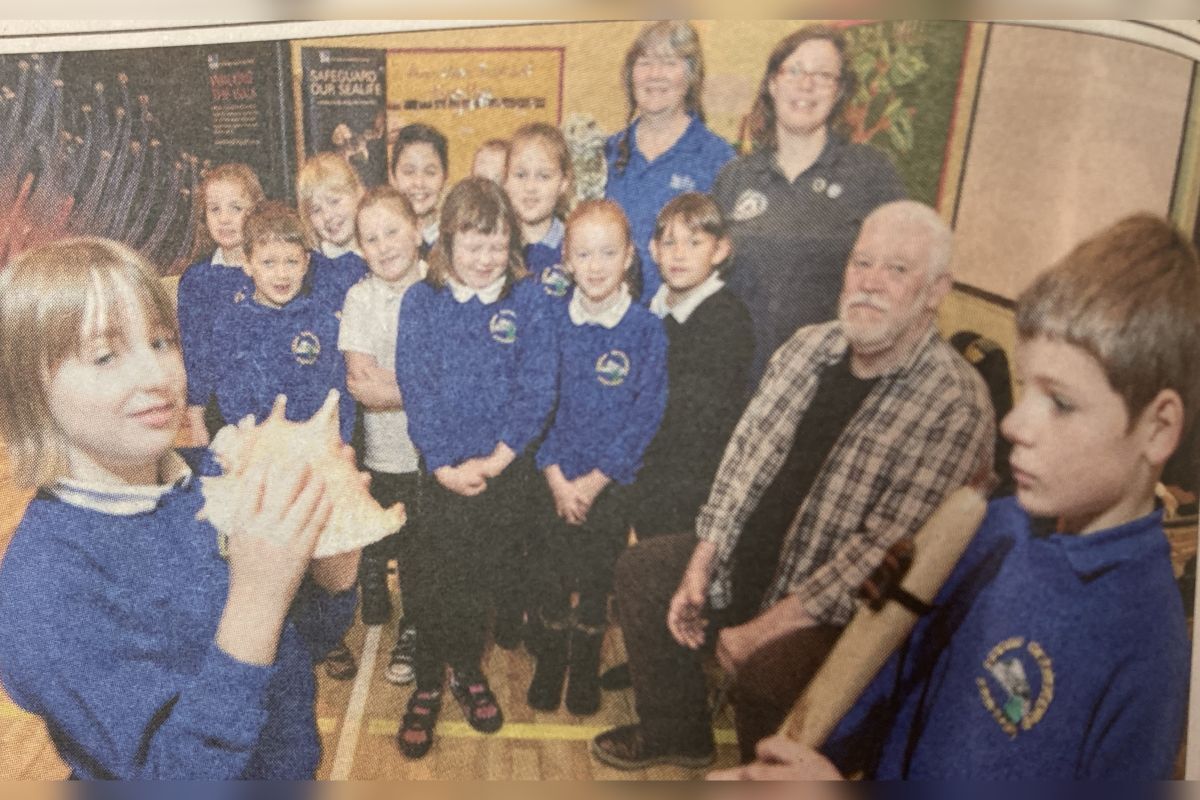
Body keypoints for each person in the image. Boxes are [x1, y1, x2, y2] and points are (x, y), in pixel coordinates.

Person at [711, 214, 1197, 780]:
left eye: (1060, 403)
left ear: (1159, 429)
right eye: (1025, 386)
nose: (1013, 422)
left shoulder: (1147, 649)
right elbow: (890, 661)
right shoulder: (991, 527)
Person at [589, 200, 995, 770]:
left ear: (935, 290)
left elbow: (888, 557)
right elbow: (741, 464)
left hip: (842, 617)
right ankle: (677, 733)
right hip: (750, 566)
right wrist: (701, 564)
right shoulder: (809, 347)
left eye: (896, 270)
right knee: (644, 571)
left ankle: (776, 774)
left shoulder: (954, 403)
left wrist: (759, 633)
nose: (870, 283)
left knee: (767, 676)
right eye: (861, 263)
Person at [0, 237, 361, 779]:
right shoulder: (44, 587)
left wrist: (332, 568)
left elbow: (295, 647)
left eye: (162, 341)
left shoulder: (208, 476)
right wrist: (258, 597)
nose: (156, 376)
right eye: (106, 355)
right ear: (31, 389)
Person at [393, 177, 557, 758]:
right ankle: (430, 682)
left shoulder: (529, 300)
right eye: (472, 245)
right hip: (441, 477)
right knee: (438, 578)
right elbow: (419, 387)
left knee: (479, 580)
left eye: (496, 245)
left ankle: (466, 668)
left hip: (502, 474)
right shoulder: (421, 301)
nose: (485, 259)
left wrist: (500, 458)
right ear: (446, 243)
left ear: (511, 243)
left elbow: (537, 386)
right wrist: (442, 465)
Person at [526, 200, 667, 716]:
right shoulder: (550, 324)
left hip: (608, 489)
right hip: (553, 482)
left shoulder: (646, 331)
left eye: (609, 252)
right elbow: (538, 408)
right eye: (584, 253)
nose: (597, 264)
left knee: (593, 583)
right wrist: (559, 479)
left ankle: (583, 667)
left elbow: (644, 416)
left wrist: (595, 482)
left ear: (629, 256)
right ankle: (549, 663)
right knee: (551, 578)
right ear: (565, 260)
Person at [714, 24, 908, 380]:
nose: (806, 85)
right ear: (773, 84)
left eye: (822, 75)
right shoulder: (735, 177)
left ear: (838, 92)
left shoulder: (870, 174)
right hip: (738, 374)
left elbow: (905, 281)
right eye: (795, 71)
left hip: (828, 379)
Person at [339, 186, 427, 687]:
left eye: (393, 230)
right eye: (371, 238)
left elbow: (454, 379)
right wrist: (428, 387)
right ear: (360, 249)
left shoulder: (441, 289)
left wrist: (392, 382)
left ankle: (412, 628)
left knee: (419, 549)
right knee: (380, 533)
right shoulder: (360, 298)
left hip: (431, 454)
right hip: (383, 451)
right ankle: (372, 583)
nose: (385, 245)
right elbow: (362, 386)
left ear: (417, 229)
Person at [605, 20, 734, 303]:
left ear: (691, 76)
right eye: (645, 62)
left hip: (682, 329)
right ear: (630, 75)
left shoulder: (719, 159)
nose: (655, 75)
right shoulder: (605, 153)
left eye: (668, 62)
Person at [178, 163, 265, 445]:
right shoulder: (196, 280)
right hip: (219, 411)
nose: (224, 219)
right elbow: (194, 353)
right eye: (215, 209)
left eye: (235, 208)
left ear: (255, 211)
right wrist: (195, 418)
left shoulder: (274, 272)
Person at [505, 122, 575, 304]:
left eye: (544, 176)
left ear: (563, 183)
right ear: (505, 179)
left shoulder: (575, 248)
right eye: (520, 175)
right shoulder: (495, 248)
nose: (530, 187)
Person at [296, 152, 369, 313]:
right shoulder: (310, 271)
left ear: (358, 193)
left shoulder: (380, 256)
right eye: (316, 210)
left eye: (334, 201)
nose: (327, 216)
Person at [390, 123, 449, 261]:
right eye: (409, 172)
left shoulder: (456, 241)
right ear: (393, 177)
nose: (419, 183)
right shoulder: (383, 242)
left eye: (430, 172)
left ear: (445, 176)